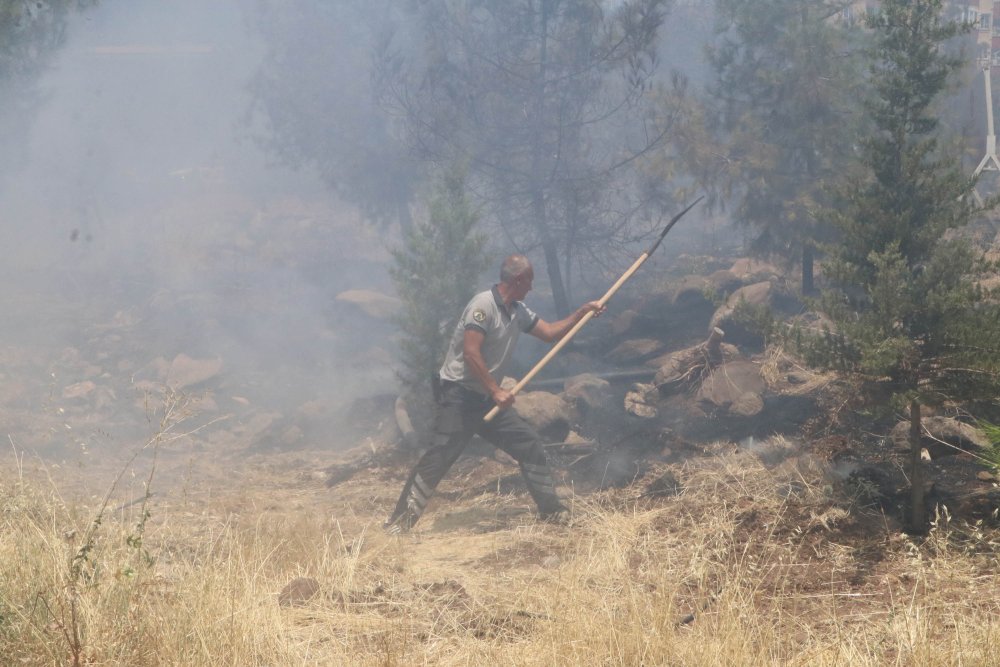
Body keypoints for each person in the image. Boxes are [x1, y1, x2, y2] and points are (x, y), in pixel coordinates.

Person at [385, 254, 605, 534]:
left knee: (529, 445)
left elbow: (549, 333)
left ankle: (552, 512)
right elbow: (470, 353)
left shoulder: (518, 311)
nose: (532, 287)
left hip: (486, 399)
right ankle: (399, 525)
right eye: (530, 281)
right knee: (440, 457)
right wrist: (496, 390)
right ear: (518, 279)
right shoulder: (482, 306)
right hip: (459, 397)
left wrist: (582, 313)